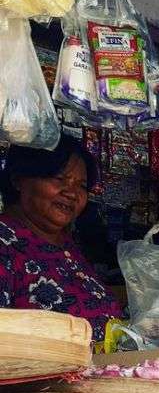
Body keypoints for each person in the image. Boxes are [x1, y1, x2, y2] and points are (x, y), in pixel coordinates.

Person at [0, 134, 123, 340]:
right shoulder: (5, 241)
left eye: (81, 186)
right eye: (59, 179)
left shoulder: (66, 246)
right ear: (19, 179)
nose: (72, 193)